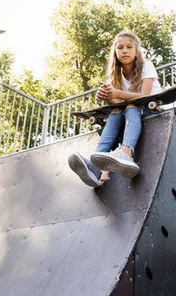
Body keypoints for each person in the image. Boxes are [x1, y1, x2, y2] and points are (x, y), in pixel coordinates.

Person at [68, 30, 161, 187]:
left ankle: (126, 153)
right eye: (120, 47)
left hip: (153, 108)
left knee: (131, 105)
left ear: (136, 50)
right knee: (116, 111)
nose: (124, 50)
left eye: (129, 47)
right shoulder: (115, 74)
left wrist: (117, 93)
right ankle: (95, 164)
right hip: (131, 113)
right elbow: (117, 103)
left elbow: (144, 95)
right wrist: (106, 96)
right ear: (115, 52)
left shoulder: (147, 66)